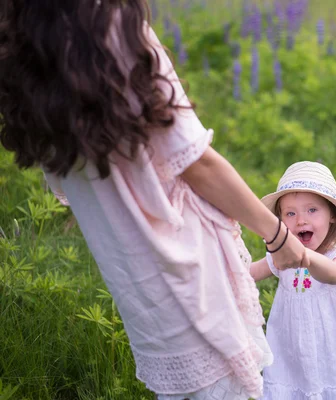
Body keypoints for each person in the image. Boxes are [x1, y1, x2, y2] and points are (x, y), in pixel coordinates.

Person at [0, 1, 308, 399]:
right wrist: (278, 236)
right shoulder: (109, 25)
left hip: (137, 289)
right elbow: (198, 164)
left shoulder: (25, 41)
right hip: (190, 276)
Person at [250, 161, 336, 399]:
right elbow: (248, 274)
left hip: (334, 354)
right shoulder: (282, 258)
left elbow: (334, 275)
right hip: (292, 354)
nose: (300, 221)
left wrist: (302, 256)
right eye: (290, 213)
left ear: (332, 215)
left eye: (312, 210)